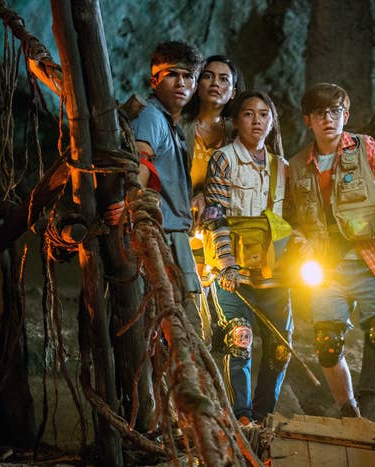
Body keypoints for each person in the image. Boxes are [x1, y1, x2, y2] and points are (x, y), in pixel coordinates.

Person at [286, 83, 375, 432]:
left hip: (371, 258)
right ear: (308, 119)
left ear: (345, 115)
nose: (329, 119)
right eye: (321, 113)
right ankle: (347, 411)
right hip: (325, 266)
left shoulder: (363, 147)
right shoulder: (296, 166)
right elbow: (290, 217)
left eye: (336, 112)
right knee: (327, 343)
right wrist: (298, 241)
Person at [203, 90, 292, 425]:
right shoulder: (224, 159)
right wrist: (226, 262)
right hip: (232, 272)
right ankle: (239, 417)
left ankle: (264, 414)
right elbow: (214, 214)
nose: (257, 121)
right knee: (239, 338)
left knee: (281, 348)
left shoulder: (281, 167)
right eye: (249, 114)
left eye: (264, 114)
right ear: (236, 120)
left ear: (272, 121)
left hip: (273, 273)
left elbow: (286, 220)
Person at [104, 41, 205, 338]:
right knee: (179, 330)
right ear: (154, 80)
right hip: (162, 239)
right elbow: (141, 161)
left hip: (173, 236)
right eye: (172, 74)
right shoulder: (151, 116)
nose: (181, 82)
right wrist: (130, 201)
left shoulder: (171, 123)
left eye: (188, 76)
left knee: (178, 328)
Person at [182, 55, 244, 345]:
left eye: (224, 79)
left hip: (222, 229)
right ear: (197, 82)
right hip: (183, 226)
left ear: (233, 91)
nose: (215, 84)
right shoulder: (179, 125)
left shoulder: (238, 133)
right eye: (208, 76)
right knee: (190, 300)